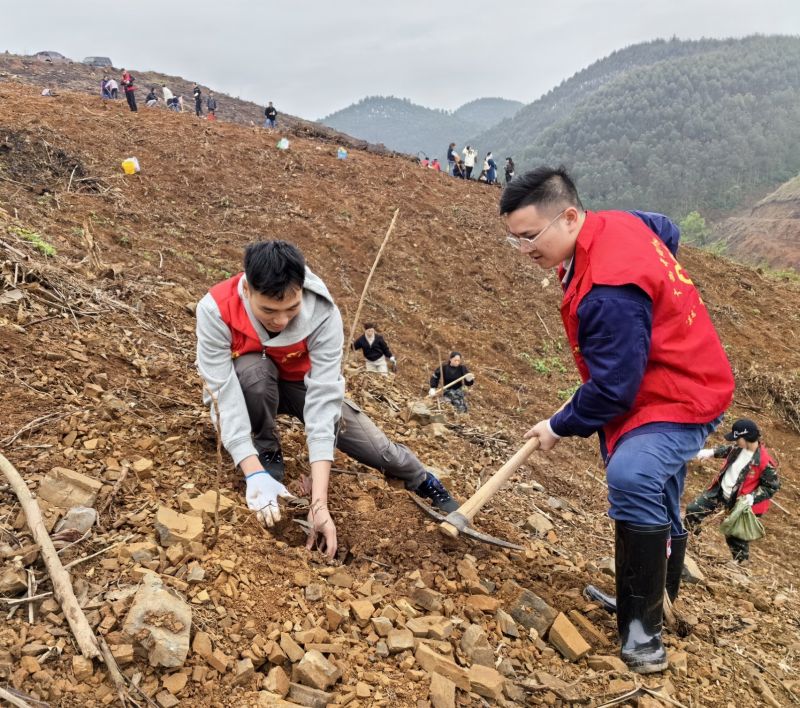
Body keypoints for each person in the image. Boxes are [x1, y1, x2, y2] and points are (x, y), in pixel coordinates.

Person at [501, 166, 734, 674]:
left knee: (633, 475)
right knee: (658, 484)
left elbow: (612, 389)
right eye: (514, 239)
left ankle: (641, 630)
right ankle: (655, 598)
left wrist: (558, 425)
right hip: (664, 377)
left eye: (528, 237)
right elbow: (666, 228)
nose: (524, 251)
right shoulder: (620, 223)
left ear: (567, 217)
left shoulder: (609, 292)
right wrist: (659, 302)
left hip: (682, 393)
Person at [195, 241, 460, 559]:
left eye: (291, 309)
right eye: (269, 310)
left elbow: (323, 402)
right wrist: (252, 472)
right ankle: (266, 456)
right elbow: (222, 395)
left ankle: (422, 479)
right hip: (251, 384)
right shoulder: (215, 310)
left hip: (302, 386)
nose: (280, 321)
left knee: (376, 447)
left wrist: (319, 503)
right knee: (253, 373)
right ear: (247, 289)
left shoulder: (323, 311)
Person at [685, 419, 779, 562]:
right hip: (720, 492)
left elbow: (771, 487)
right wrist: (711, 452)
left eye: (737, 438)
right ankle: (691, 540)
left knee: (735, 537)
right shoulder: (738, 448)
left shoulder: (765, 462)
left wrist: (752, 497)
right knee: (693, 510)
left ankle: (740, 565)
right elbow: (727, 450)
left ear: (746, 438)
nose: (735, 441)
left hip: (739, 503)